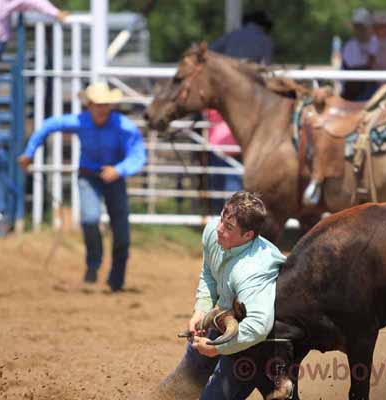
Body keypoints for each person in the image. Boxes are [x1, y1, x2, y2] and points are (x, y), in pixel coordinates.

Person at [17, 82, 147, 292]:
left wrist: (119, 170)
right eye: (97, 104)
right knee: (89, 218)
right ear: (88, 105)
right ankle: (93, 264)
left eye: (105, 104)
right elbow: (49, 125)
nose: (101, 108)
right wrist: (29, 153)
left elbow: (138, 154)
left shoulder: (124, 126)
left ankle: (116, 278)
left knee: (121, 232)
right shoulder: (80, 121)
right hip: (88, 175)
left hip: (114, 177)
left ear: (110, 105)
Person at [160, 191, 286, 399]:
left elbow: (258, 326)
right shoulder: (213, 232)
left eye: (228, 227)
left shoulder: (253, 268)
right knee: (182, 383)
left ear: (248, 235)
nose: (219, 229)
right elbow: (209, 273)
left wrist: (218, 348)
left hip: (261, 343)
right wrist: (201, 310)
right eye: (221, 220)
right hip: (229, 324)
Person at [205, 10, 274, 214]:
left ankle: (223, 212)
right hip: (251, 113)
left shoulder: (230, 38)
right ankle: (238, 214)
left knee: (222, 165)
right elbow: (266, 71)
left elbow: (207, 55)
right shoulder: (264, 41)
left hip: (222, 118)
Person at [340, 7, 379, 100]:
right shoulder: (350, 45)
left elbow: (374, 64)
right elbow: (346, 68)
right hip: (351, 87)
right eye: (357, 27)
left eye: (362, 27)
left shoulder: (377, 43)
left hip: (371, 86)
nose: (360, 30)